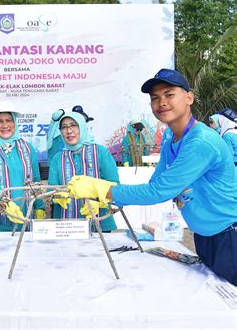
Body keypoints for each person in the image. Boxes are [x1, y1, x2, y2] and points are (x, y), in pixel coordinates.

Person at [66, 68, 237, 285]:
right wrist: (106, 195)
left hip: (229, 235)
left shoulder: (200, 141)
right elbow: (155, 185)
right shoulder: (172, 140)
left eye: (169, 94)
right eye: (155, 98)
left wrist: (102, 190)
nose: (161, 102)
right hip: (205, 235)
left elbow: (159, 192)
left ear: (189, 97)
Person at [0, 103, 45, 231]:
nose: (5, 125)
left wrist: (39, 206)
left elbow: (35, 181)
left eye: (9, 120)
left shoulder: (28, 148)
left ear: (15, 122)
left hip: (25, 214)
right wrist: (6, 203)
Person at [48, 111, 119, 231]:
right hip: (65, 226)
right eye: (64, 127)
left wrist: (99, 203)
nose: (69, 131)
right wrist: (57, 197)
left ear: (82, 127)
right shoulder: (57, 158)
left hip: (100, 223)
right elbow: (51, 190)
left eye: (73, 125)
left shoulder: (100, 152)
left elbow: (115, 185)